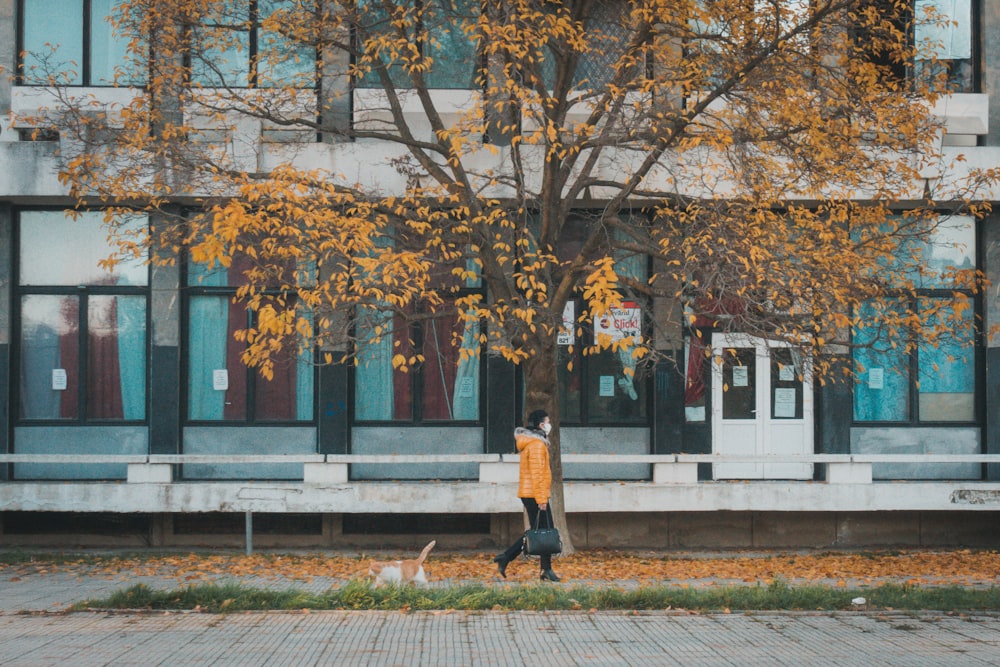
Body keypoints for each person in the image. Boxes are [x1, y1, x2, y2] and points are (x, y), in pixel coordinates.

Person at [492, 409, 561, 582]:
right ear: (540, 425)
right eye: (547, 421)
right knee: (544, 531)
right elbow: (537, 474)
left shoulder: (532, 443)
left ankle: (543, 568)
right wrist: (542, 500)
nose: (549, 424)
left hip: (531, 493)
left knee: (542, 530)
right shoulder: (537, 445)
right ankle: (509, 558)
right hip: (535, 494)